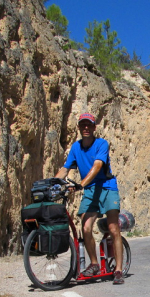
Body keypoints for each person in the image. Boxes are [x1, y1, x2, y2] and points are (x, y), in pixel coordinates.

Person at [55, 112, 125, 284]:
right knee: (85, 228)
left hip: (107, 188)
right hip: (90, 190)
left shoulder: (101, 144)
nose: (86, 128)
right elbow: (65, 169)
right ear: (79, 127)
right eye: (83, 125)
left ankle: (118, 270)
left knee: (113, 227)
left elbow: (97, 166)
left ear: (94, 127)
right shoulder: (76, 147)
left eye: (89, 125)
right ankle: (94, 263)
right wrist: (54, 183)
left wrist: (80, 184)